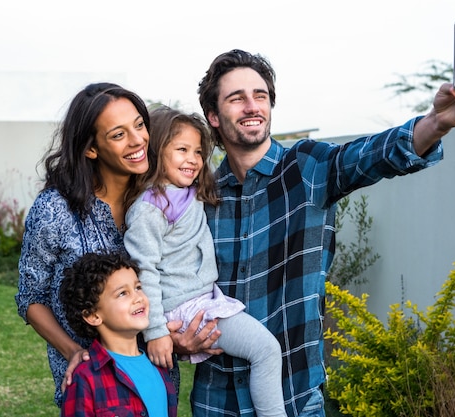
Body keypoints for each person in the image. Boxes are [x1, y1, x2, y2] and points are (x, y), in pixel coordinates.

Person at [168, 49, 455, 417]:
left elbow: (371, 154)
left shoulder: (306, 167)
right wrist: (177, 339)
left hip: (293, 398)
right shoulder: (201, 196)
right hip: (214, 401)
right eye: (236, 98)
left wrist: (436, 123)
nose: (252, 106)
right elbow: (172, 278)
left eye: (261, 96)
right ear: (214, 116)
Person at [124, 105, 287, 417]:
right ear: (157, 152)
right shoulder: (151, 207)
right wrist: (156, 331)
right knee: (265, 350)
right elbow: (143, 271)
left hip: (202, 299)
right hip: (187, 308)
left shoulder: (186, 193)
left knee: (262, 351)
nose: (193, 160)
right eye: (182, 149)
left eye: (198, 151)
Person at [15, 82, 154, 407]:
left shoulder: (158, 201)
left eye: (139, 125)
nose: (138, 140)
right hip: (93, 391)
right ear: (91, 148)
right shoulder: (55, 209)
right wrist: (73, 351)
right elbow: (30, 297)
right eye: (119, 134)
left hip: (155, 378)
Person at [58, 251, 178, 417]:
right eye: (123, 293)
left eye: (138, 287)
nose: (138, 298)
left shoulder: (158, 364)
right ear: (93, 316)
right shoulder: (85, 378)